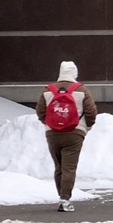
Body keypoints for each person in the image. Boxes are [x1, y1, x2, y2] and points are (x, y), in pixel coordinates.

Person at [36, 60, 97, 212]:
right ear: (75, 74)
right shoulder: (81, 90)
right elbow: (91, 112)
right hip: (75, 133)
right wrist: (87, 126)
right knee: (69, 167)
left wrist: (51, 124)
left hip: (53, 134)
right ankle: (65, 200)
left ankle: (61, 196)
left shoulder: (48, 90)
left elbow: (40, 111)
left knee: (59, 167)